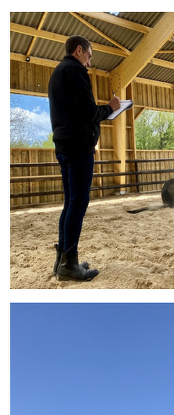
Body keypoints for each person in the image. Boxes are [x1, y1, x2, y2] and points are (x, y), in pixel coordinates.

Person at [48, 36, 122, 282]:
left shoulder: (58, 73)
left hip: (63, 144)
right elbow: (89, 112)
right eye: (89, 56)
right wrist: (111, 107)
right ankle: (70, 264)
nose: (89, 62)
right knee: (78, 204)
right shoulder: (76, 71)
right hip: (79, 147)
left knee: (70, 203)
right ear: (79, 50)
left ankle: (63, 260)